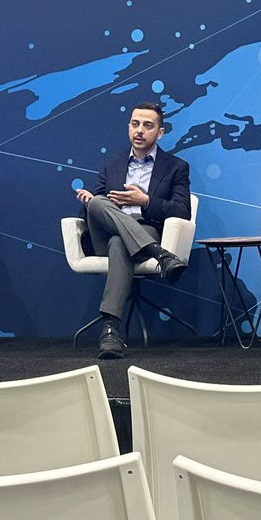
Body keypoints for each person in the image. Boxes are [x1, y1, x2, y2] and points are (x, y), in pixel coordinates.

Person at [74, 102, 191, 360]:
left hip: (145, 228)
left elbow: (183, 211)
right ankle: (161, 254)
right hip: (106, 236)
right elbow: (97, 209)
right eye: (135, 124)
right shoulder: (112, 164)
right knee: (98, 202)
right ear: (128, 127)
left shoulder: (176, 167)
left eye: (148, 125)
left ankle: (110, 330)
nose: (140, 130)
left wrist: (145, 201)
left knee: (120, 242)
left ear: (160, 132)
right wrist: (89, 202)